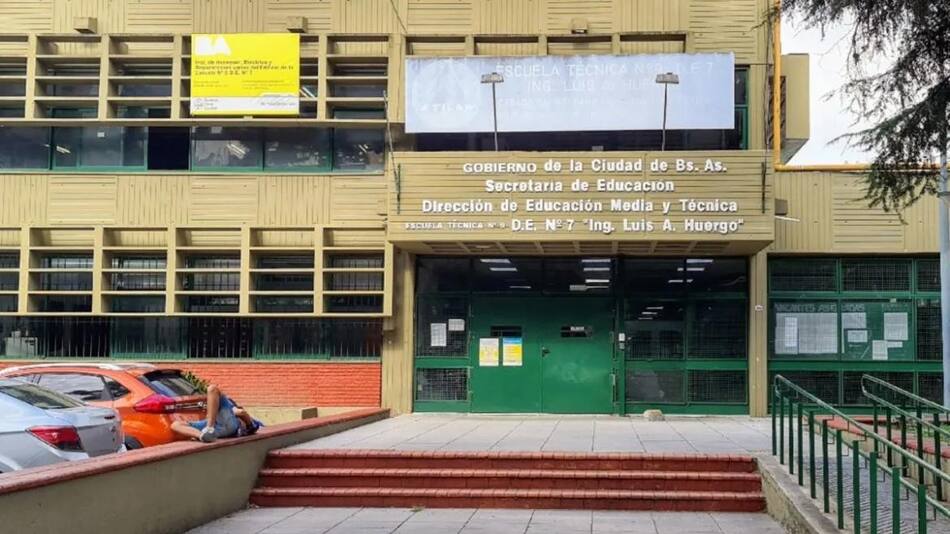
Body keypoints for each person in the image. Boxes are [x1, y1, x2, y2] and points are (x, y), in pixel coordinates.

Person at [170, 384, 261, 443]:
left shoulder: (229, 407)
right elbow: (243, 414)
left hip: (225, 425)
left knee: (212, 389)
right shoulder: (218, 409)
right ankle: (203, 436)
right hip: (217, 427)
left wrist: (239, 416)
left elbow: (241, 413)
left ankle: (208, 429)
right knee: (175, 424)